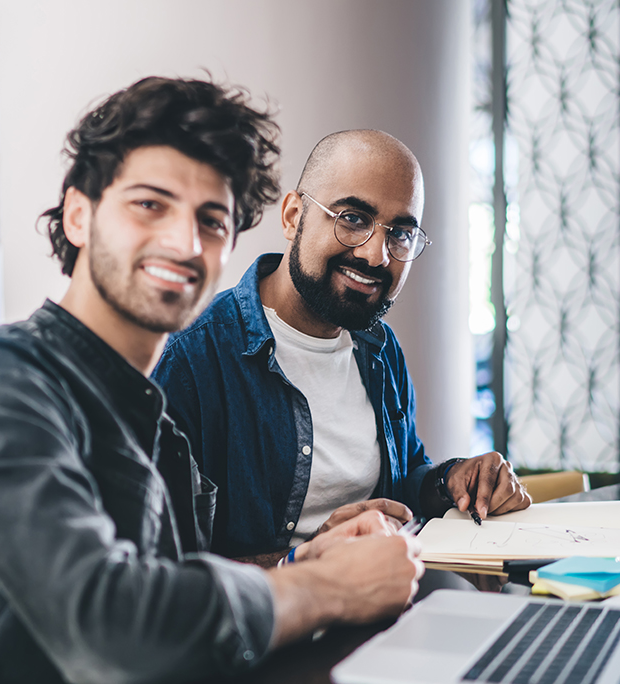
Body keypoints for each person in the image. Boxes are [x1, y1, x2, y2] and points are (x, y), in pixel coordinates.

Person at [0, 80, 424, 684]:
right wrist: (331, 590)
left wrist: (309, 562)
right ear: (79, 213)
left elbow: (178, 597)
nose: (185, 243)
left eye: (211, 220)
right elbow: (105, 622)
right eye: (150, 205)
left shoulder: (149, 415)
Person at [153, 129, 531, 564]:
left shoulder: (378, 347)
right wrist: (305, 564)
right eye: (352, 218)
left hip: (388, 616)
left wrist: (451, 479)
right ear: (294, 216)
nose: (377, 256)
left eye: (401, 234)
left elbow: (403, 480)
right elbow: (161, 574)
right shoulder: (191, 359)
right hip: (269, 628)